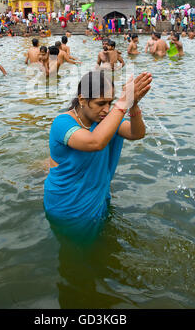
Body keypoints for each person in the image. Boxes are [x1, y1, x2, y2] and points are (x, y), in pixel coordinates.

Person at [44, 69, 152, 240]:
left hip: (98, 200)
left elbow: (136, 133)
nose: (106, 109)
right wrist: (122, 103)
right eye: (101, 103)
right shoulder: (62, 123)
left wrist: (133, 105)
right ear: (82, 100)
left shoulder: (107, 120)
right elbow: (94, 142)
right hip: (68, 207)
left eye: (110, 103)